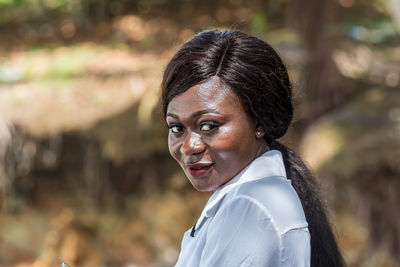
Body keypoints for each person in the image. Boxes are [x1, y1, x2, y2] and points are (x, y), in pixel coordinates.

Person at [161, 30, 344, 267]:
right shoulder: (255, 197)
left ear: (259, 122)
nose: (189, 146)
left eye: (208, 125)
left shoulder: (249, 207)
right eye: (176, 128)